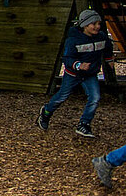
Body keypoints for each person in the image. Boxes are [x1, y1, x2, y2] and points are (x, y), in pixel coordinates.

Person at [38, 9, 113, 138]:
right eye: (93, 24)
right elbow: (67, 59)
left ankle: (84, 124)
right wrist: (78, 65)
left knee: (94, 98)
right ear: (84, 25)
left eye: (98, 23)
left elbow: (107, 48)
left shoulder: (101, 37)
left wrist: (109, 60)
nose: (97, 27)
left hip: (90, 74)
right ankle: (46, 112)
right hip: (73, 75)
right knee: (62, 96)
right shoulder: (73, 40)